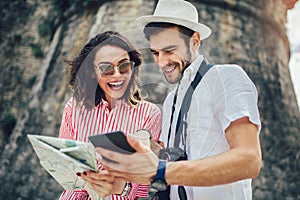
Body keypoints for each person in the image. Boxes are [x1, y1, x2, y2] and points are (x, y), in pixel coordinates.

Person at [95, 0, 262, 200]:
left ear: (195, 40)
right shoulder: (171, 100)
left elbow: (249, 159)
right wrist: (135, 153)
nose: (161, 62)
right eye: (156, 53)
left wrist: (161, 171)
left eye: (170, 50)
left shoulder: (226, 77)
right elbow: (174, 158)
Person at [58, 31, 162, 200]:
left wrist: (123, 187)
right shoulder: (73, 108)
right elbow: (64, 166)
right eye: (106, 68)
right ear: (92, 71)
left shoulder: (150, 115)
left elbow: (148, 178)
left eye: (123, 66)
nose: (117, 75)